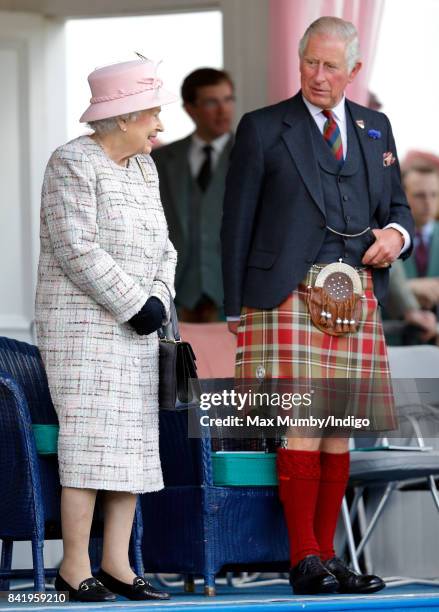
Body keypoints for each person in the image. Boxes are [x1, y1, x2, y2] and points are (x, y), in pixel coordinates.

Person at [221, 17, 414, 595]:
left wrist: (397, 237)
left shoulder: (375, 129)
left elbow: (399, 207)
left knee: (340, 430)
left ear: (354, 71)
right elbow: (236, 223)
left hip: (354, 295)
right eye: (310, 62)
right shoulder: (262, 128)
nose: (318, 76)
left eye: (331, 66)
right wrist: (236, 307)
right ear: (299, 59)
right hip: (284, 295)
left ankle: (328, 558)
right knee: (302, 424)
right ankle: (303, 558)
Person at [35, 57, 177, 602]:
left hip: (138, 327)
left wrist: (158, 299)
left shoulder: (145, 168)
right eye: (153, 115)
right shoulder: (71, 162)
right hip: (83, 329)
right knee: (91, 444)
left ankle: (116, 564)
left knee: (131, 447)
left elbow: (165, 247)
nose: (159, 126)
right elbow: (75, 246)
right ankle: (73, 567)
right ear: (121, 117)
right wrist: (132, 301)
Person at [152, 68, 235, 322]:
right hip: (174, 297)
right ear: (190, 108)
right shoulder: (160, 160)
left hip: (231, 298)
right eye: (212, 102)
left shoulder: (253, 157)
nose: (223, 110)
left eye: (228, 99)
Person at [401, 166, 439, 310]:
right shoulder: (387, 238)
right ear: (403, 195)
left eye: (434, 194)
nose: (428, 202)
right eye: (420, 195)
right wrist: (407, 288)